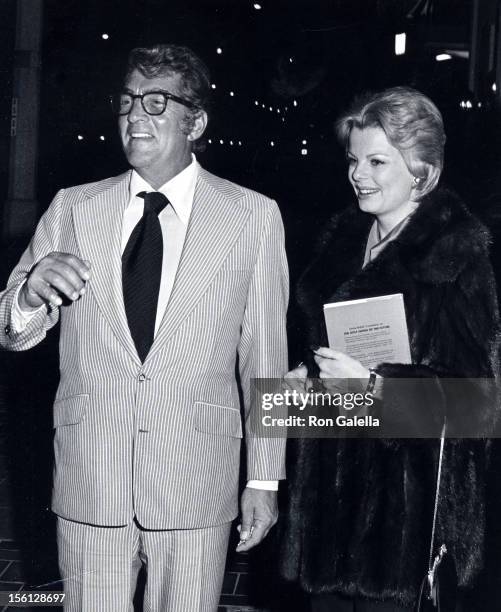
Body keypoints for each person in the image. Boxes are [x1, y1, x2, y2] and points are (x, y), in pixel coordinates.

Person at [0, 44, 288, 611]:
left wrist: (264, 480)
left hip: (195, 477)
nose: (135, 116)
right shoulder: (73, 208)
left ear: (196, 122)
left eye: (157, 102)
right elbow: (14, 329)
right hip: (92, 476)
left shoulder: (252, 217)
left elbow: (266, 358)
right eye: (128, 101)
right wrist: (30, 291)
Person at [280, 86, 499, 611]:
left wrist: (375, 389)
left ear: (422, 169)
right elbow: (331, 381)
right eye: (354, 160)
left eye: (377, 161)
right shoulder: (339, 244)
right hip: (327, 519)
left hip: (406, 528)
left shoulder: (455, 255)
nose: (358, 174)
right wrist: (301, 384)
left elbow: (481, 406)